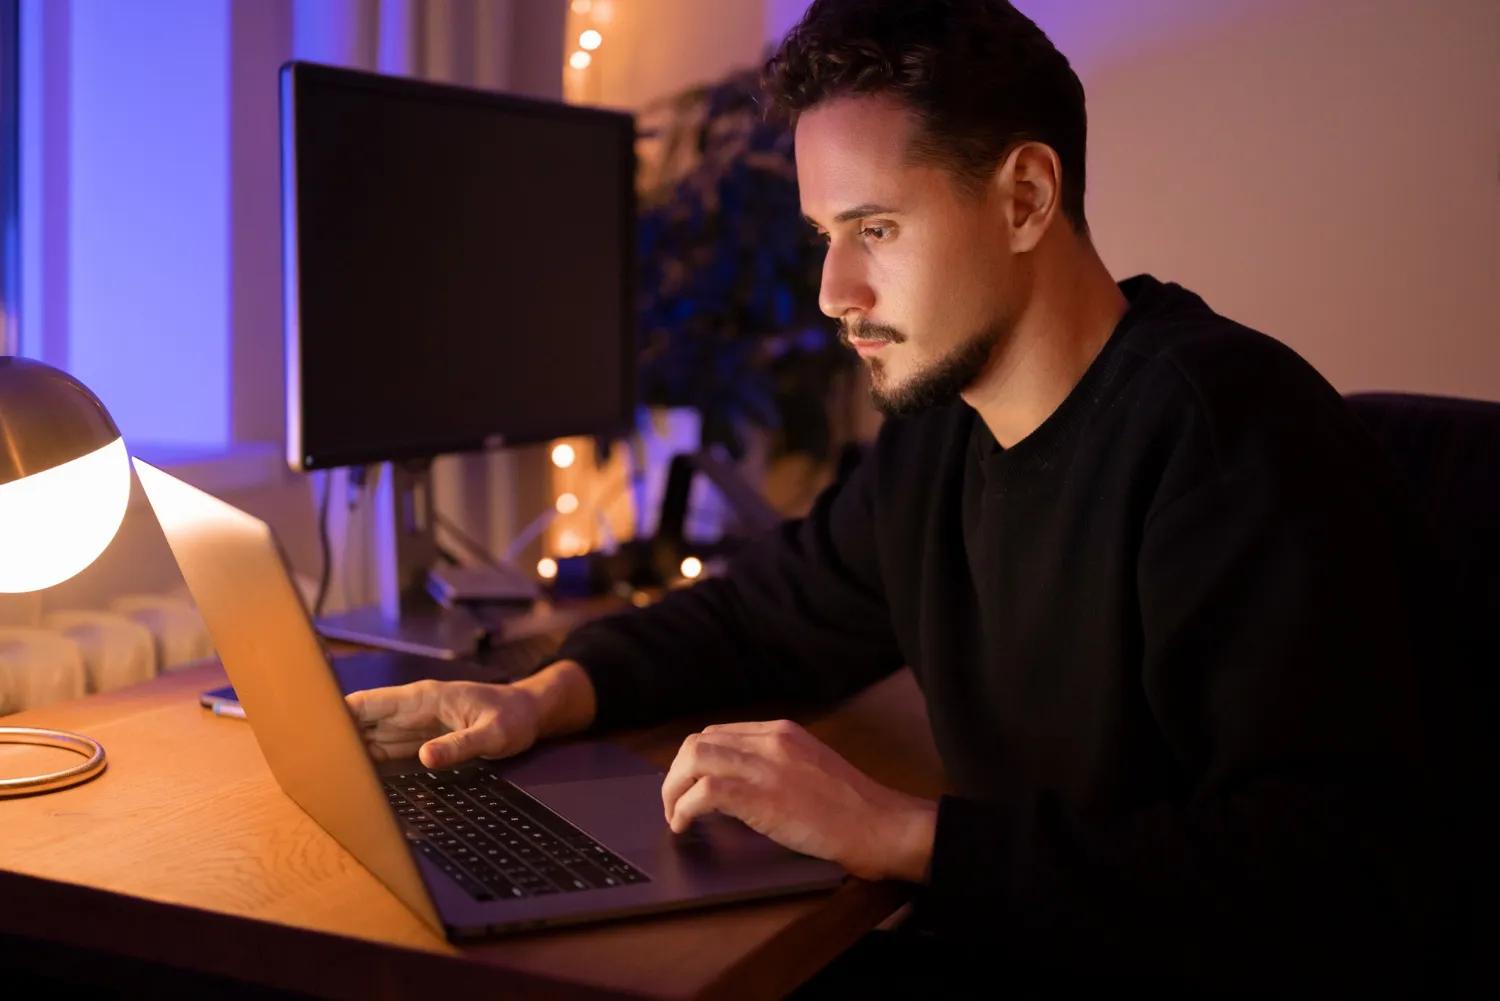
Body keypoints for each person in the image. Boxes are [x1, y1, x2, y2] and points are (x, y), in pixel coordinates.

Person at [346, 1, 1473, 996]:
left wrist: (898, 829)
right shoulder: (947, 429)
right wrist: (541, 697)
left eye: (876, 229)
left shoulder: (1224, 435)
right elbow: (762, 615)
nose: (835, 292)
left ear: (1027, 195)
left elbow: (1333, 880)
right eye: (824, 237)